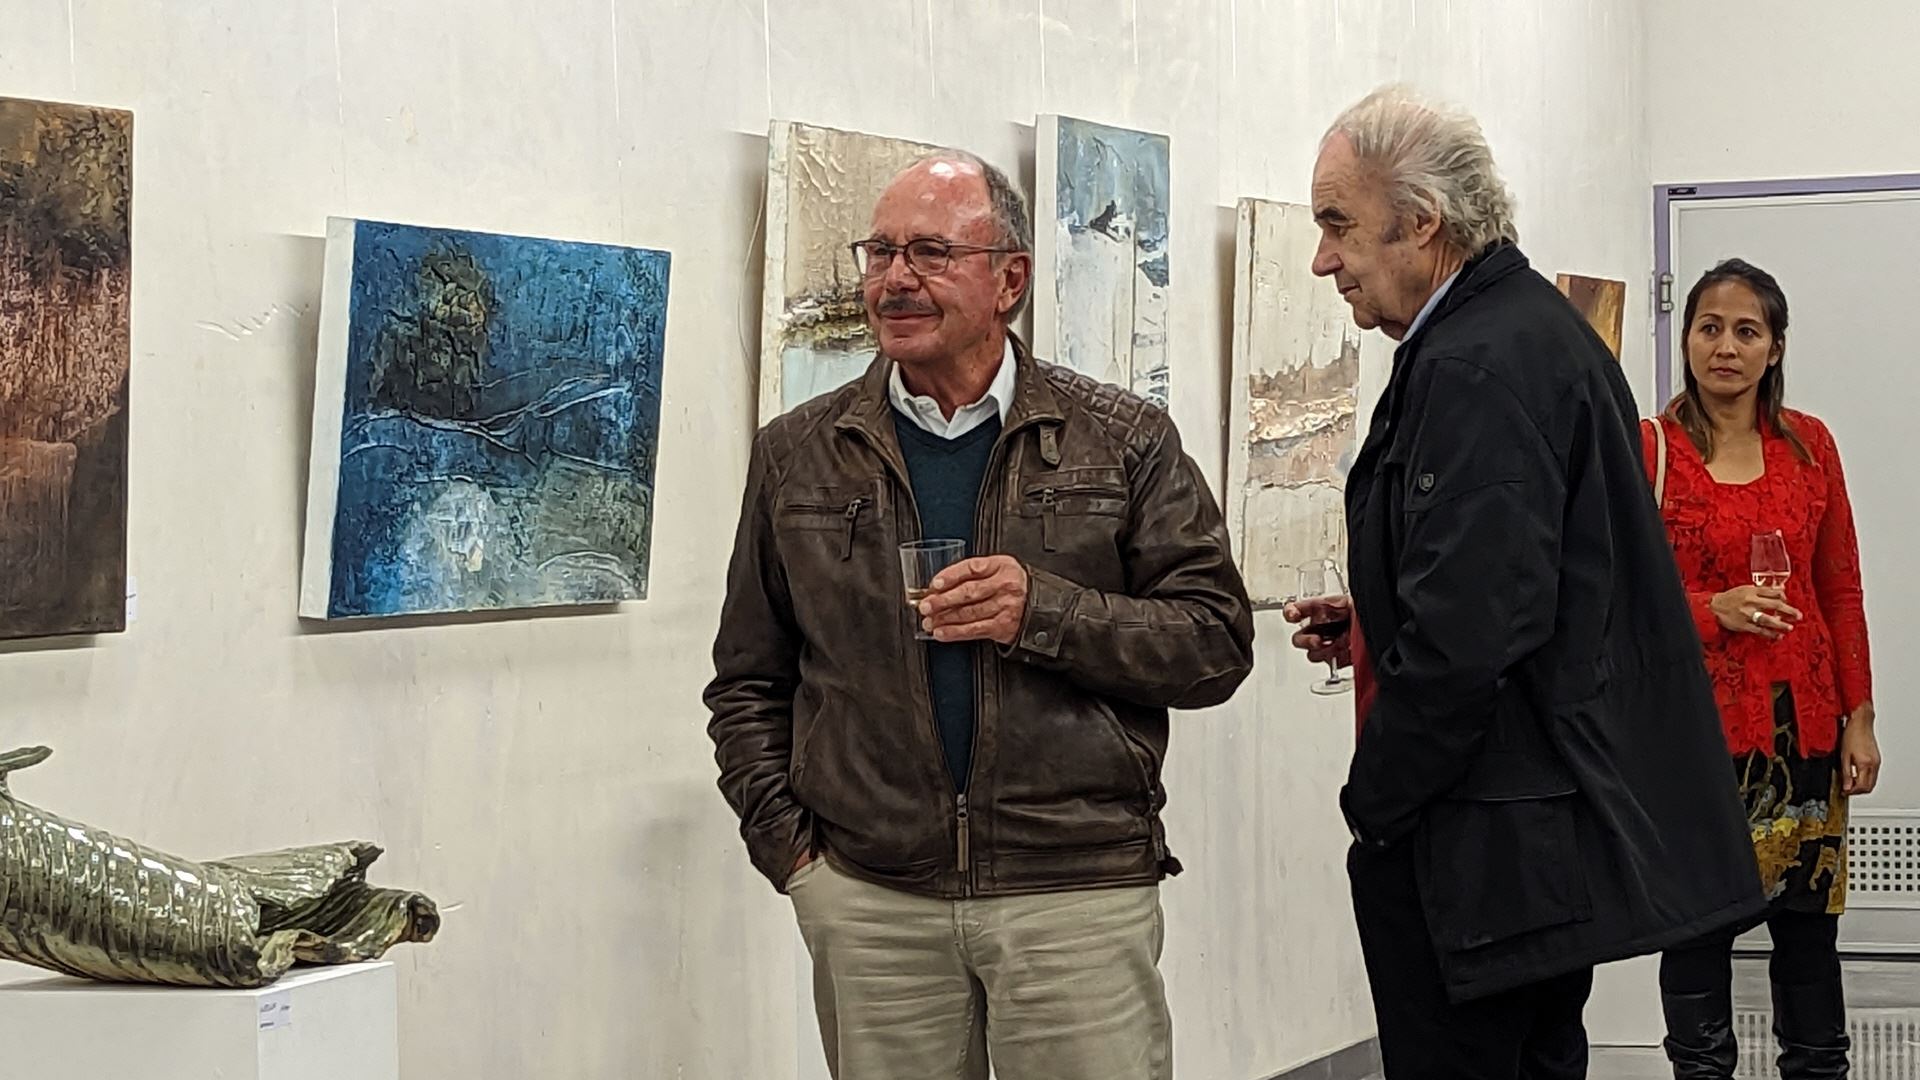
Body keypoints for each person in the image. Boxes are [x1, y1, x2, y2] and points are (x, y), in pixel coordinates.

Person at [704, 149, 1254, 1080]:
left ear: (1010, 281)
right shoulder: (798, 453)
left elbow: (1215, 643)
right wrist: (796, 858)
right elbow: (749, 680)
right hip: (873, 902)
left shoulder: (1122, 441)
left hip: (1073, 891)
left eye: (930, 252)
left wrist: (1043, 612)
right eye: (880, 252)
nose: (895, 279)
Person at [1283, 85, 1767, 1079]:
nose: (1324, 258)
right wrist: (1378, 619)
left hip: (1484, 848)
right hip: (1526, 840)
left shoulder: (1476, 366)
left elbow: (1471, 638)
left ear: (1423, 222)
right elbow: (1526, 576)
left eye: (1338, 224)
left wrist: (1376, 805)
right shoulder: (1526, 329)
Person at [1647, 259, 1877, 1080]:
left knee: (1809, 935)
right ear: (1686, 338)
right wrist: (1714, 609)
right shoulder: (1652, 450)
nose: (1726, 347)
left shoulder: (1810, 445)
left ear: (1775, 348)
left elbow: (1839, 586)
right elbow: (1619, 595)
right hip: (1698, 740)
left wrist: (1860, 716)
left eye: (1747, 331)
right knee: (1697, 931)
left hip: (1805, 730)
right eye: (1709, 328)